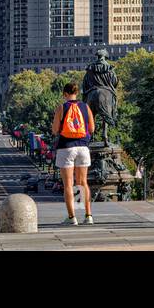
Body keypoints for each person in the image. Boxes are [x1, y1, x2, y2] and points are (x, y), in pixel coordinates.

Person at [51, 81, 95, 225]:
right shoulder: (85, 107)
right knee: (83, 183)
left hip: (66, 147)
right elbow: (92, 129)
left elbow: (55, 130)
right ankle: (88, 215)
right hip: (83, 147)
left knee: (68, 184)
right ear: (77, 93)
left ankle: (72, 217)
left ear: (65, 94)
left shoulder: (61, 108)